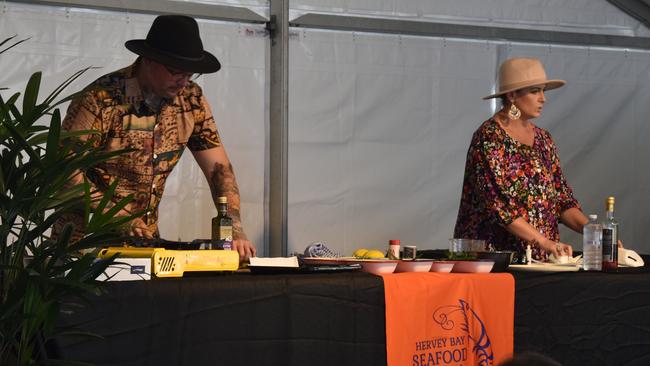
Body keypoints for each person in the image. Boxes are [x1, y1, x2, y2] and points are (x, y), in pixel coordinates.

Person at [53, 15, 256, 261]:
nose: (183, 81)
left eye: (190, 74)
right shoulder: (100, 99)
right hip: (83, 245)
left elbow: (219, 168)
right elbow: (64, 172)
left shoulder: (191, 100)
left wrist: (233, 224)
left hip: (144, 245)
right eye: (175, 71)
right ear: (149, 60)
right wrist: (118, 216)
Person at [453, 57, 588, 262]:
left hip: (539, 261)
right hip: (493, 262)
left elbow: (562, 199)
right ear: (512, 95)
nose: (543, 98)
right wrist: (544, 242)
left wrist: (594, 234)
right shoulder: (490, 137)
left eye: (544, 91)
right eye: (535, 91)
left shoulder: (544, 139)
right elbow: (500, 208)